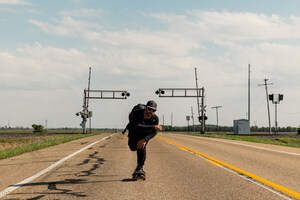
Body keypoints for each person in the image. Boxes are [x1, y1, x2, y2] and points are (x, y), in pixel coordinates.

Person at [127, 100, 162, 175]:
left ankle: (139, 168)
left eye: (153, 110)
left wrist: (145, 139)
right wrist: (153, 126)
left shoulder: (155, 119)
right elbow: (137, 126)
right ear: (145, 108)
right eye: (149, 109)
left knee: (142, 146)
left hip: (144, 134)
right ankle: (139, 167)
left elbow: (155, 132)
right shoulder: (136, 113)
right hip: (134, 131)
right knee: (133, 147)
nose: (151, 111)